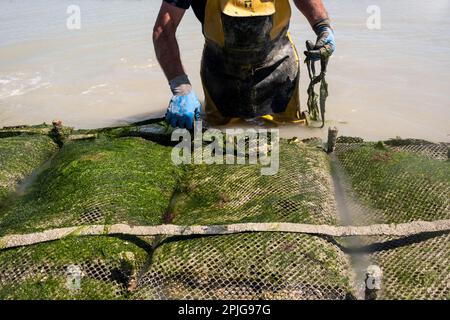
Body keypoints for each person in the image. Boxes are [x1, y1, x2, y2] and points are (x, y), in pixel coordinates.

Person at [153, 0, 336, 129]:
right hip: (221, 75)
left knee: (288, 136)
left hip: (279, 66)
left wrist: (322, 26)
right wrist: (181, 89)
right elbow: (163, 29)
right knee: (221, 143)